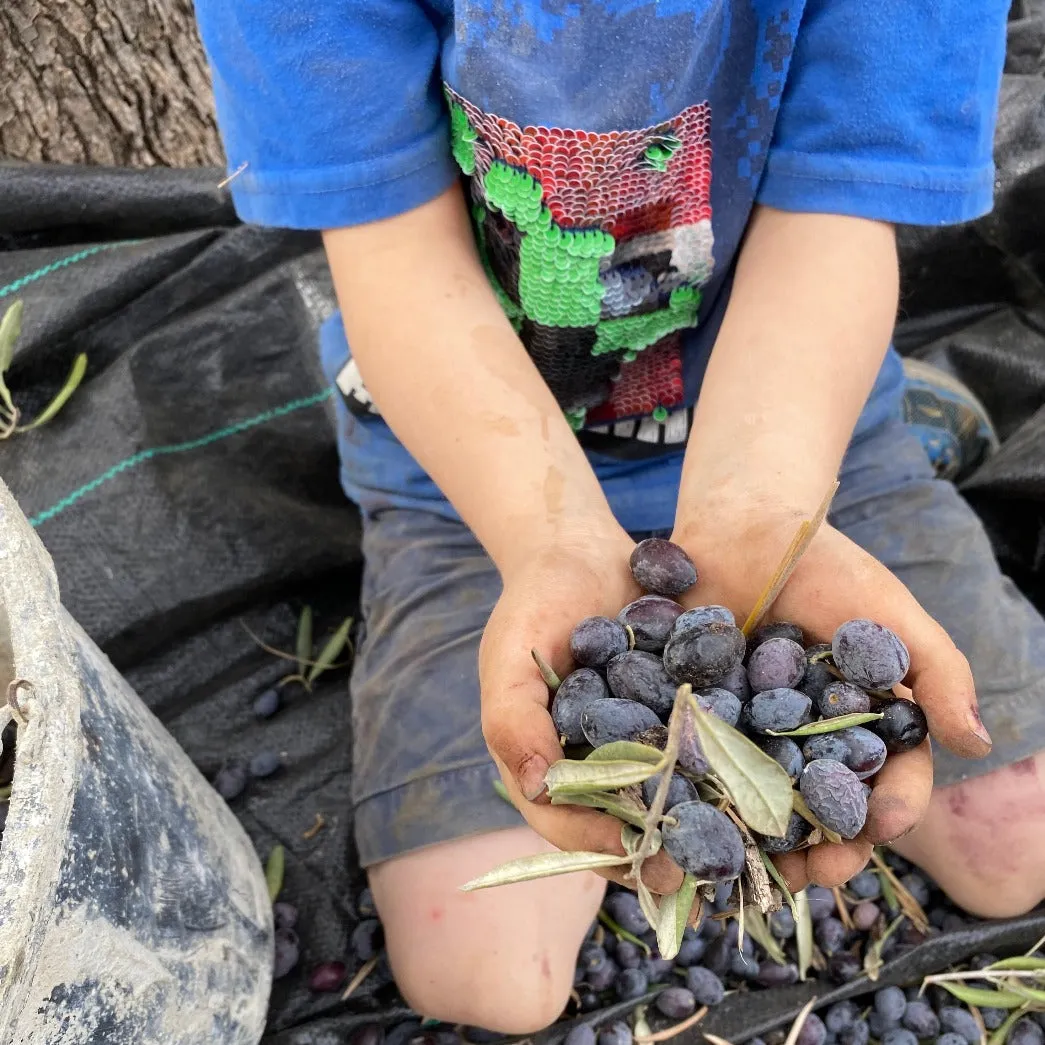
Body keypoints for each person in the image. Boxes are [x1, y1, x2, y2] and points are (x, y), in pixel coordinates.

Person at [193, 0, 1045, 1032]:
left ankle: (896, 418)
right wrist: (543, 541)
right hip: (471, 474)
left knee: (1016, 850)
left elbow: (834, 212)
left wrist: (767, 506)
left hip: (796, 434)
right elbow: (392, 253)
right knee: (486, 982)